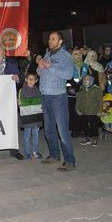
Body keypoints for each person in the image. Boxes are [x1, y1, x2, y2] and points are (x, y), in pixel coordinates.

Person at [37, 31, 76, 172]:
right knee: (48, 129)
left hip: (58, 97)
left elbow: (69, 74)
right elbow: (41, 72)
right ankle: (54, 155)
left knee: (62, 130)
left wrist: (50, 67)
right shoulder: (48, 54)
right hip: (45, 95)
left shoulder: (65, 56)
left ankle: (70, 161)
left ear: (60, 42)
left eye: (53, 39)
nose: (50, 41)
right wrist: (40, 68)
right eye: (49, 38)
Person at [76, 50, 106, 146]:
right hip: (86, 90)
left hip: (96, 91)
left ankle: (95, 137)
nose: (93, 57)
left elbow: (103, 77)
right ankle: (87, 137)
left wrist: (102, 84)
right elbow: (82, 79)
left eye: (95, 55)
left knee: (94, 119)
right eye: (91, 55)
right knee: (85, 120)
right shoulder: (84, 66)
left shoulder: (100, 66)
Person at [19, 73, 43, 160]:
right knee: (27, 135)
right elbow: (20, 101)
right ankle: (27, 152)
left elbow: (41, 101)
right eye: (29, 78)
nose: (31, 80)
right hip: (27, 117)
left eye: (33, 79)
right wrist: (19, 103)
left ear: (36, 81)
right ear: (25, 79)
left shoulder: (38, 90)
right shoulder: (22, 90)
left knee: (36, 134)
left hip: (36, 117)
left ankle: (36, 151)